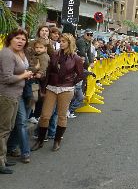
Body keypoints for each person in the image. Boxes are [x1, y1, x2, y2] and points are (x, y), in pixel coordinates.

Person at [32, 33, 84, 152]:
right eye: (60, 41)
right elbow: (49, 72)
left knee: (61, 116)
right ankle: (40, 140)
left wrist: (70, 82)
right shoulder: (54, 55)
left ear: (70, 43)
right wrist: (44, 88)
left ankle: (57, 140)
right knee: (45, 116)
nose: (61, 43)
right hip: (51, 87)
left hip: (66, 89)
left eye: (64, 41)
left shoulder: (75, 58)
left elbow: (80, 75)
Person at [0, 29, 33, 173]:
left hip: (14, 96)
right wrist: (24, 75)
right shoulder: (7, 54)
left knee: (8, 128)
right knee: (3, 129)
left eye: (23, 39)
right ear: (10, 39)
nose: (20, 41)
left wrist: (25, 75)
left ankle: (3, 159)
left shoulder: (14, 53)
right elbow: (6, 78)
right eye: (17, 38)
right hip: (6, 95)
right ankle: (0, 162)